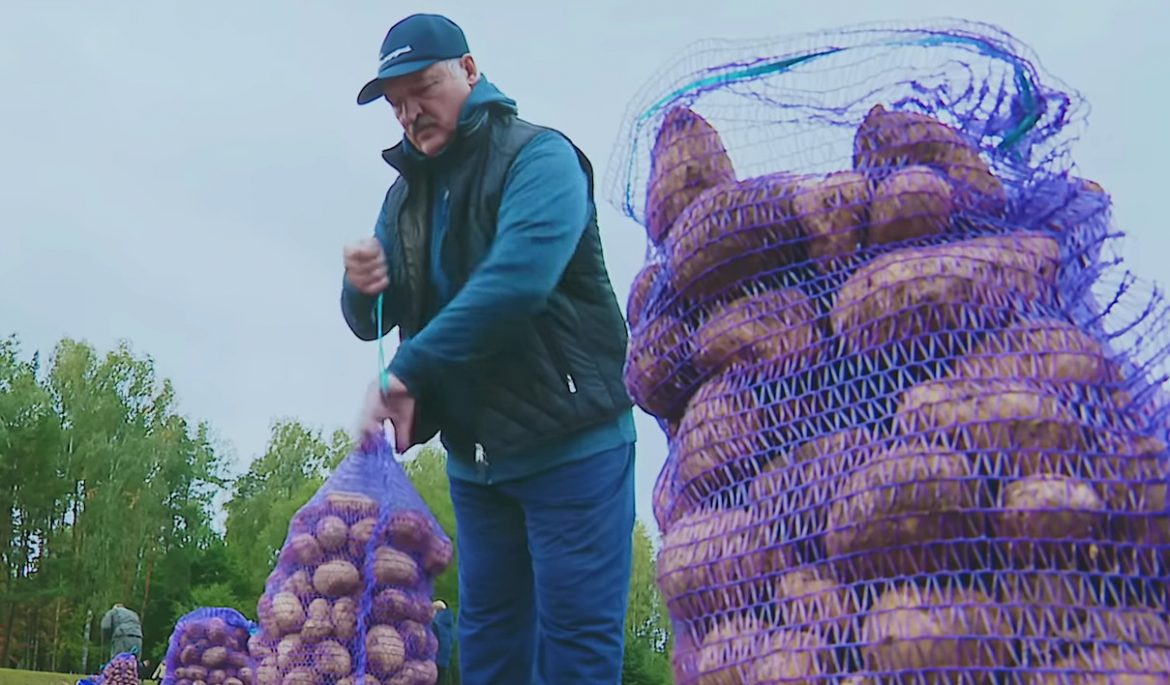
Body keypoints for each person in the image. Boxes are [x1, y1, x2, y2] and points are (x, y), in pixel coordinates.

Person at [341, 12, 637, 685]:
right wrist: (359, 289)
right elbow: (371, 320)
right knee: (487, 650)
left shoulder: (541, 159)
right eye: (396, 103)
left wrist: (409, 371)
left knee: (575, 651)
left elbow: (515, 283)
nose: (412, 113)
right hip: (477, 461)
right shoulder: (404, 196)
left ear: (470, 71)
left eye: (425, 87)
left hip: (575, 445)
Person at [431, 599, 456, 684]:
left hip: (435, 661)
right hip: (445, 662)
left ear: (437, 611)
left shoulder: (436, 623)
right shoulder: (449, 624)